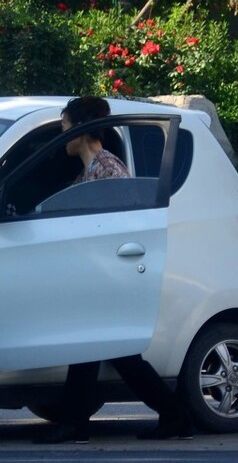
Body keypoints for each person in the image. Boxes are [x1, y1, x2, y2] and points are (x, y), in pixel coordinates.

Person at [34, 97, 193, 444]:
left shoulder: (108, 168)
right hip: (97, 272)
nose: (63, 137)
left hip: (108, 272)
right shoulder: (91, 170)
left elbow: (121, 221)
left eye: (65, 128)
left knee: (101, 348)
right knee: (102, 349)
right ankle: (172, 415)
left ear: (80, 129)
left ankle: (80, 423)